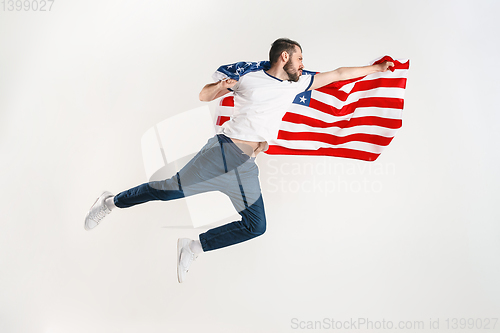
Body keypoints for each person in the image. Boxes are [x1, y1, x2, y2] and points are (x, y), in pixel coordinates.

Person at [84, 38, 394, 283]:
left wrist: (377, 69)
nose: (304, 65)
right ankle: (111, 202)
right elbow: (204, 96)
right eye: (300, 58)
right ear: (283, 56)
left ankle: (192, 247)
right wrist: (220, 87)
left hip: (246, 166)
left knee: (255, 226)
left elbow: (338, 75)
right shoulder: (250, 78)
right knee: (169, 191)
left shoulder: (296, 84)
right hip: (223, 151)